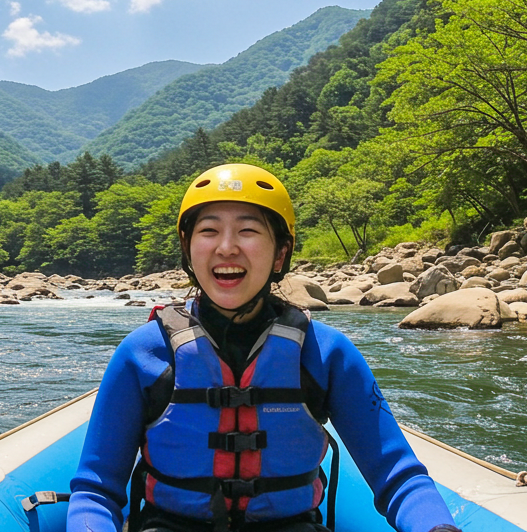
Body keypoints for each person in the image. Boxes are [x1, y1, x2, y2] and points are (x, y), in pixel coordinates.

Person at [67, 164, 462, 532]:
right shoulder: (144, 353)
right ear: (188, 248)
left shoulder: (326, 353)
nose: (226, 247)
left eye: (248, 230)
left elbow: (398, 476)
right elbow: (95, 491)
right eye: (209, 230)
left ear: (281, 254)